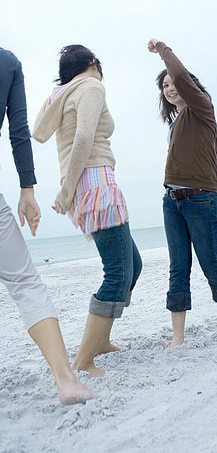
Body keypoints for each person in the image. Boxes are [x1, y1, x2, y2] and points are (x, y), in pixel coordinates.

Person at [33, 45, 142, 376]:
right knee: (117, 273)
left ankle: (101, 341)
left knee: (131, 266)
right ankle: (83, 359)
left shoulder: (63, 94)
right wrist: (65, 194)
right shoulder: (92, 86)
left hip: (83, 184)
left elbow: (39, 131)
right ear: (94, 64)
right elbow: (83, 140)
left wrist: (69, 190)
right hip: (94, 182)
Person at [0, 46, 95, 405]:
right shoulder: (8, 63)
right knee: (25, 283)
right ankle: (66, 380)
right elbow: (19, 132)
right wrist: (27, 191)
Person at [148, 37, 217, 346]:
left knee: (210, 263)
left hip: (200, 199)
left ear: (189, 85)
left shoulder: (201, 106)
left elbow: (179, 75)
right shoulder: (176, 123)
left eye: (173, 83)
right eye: (164, 87)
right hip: (171, 202)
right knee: (178, 268)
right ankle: (178, 337)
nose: (169, 88)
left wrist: (162, 49)